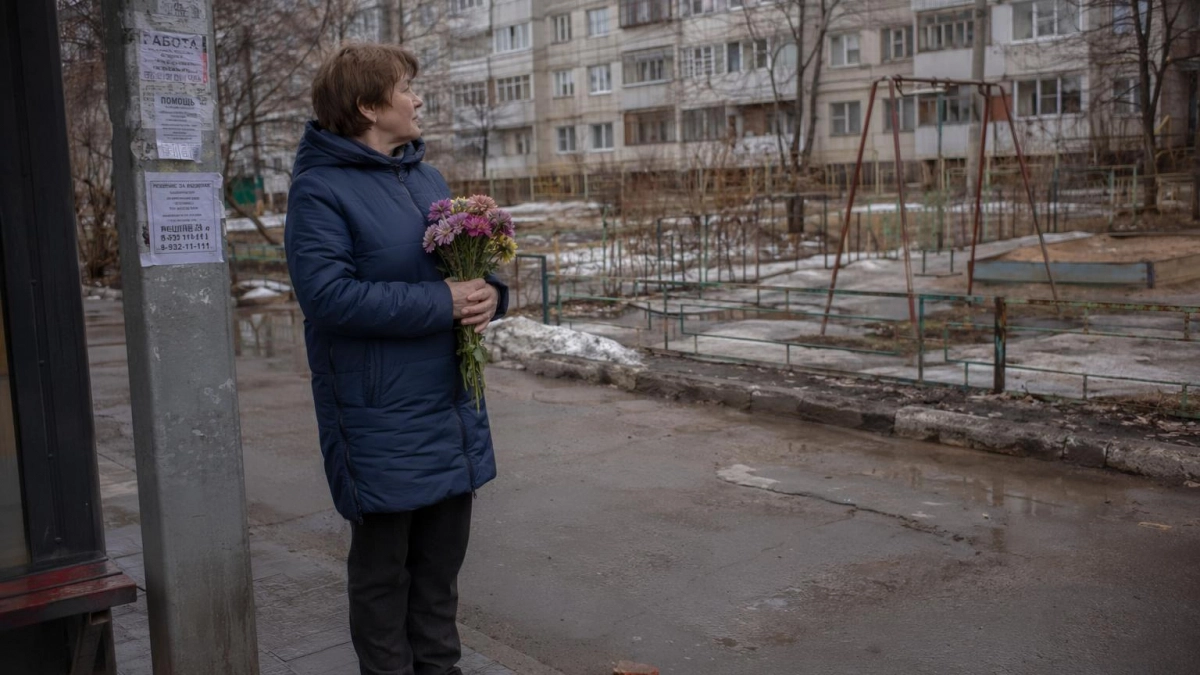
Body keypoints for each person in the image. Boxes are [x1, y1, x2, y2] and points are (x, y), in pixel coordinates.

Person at [284, 43, 508, 675]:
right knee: (385, 582)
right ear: (367, 106)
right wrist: (441, 302)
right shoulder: (319, 190)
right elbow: (328, 298)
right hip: (379, 415)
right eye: (406, 88)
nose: (417, 99)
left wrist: (490, 291)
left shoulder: (425, 177)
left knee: (440, 579)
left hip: (448, 406)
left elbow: (463, 267)